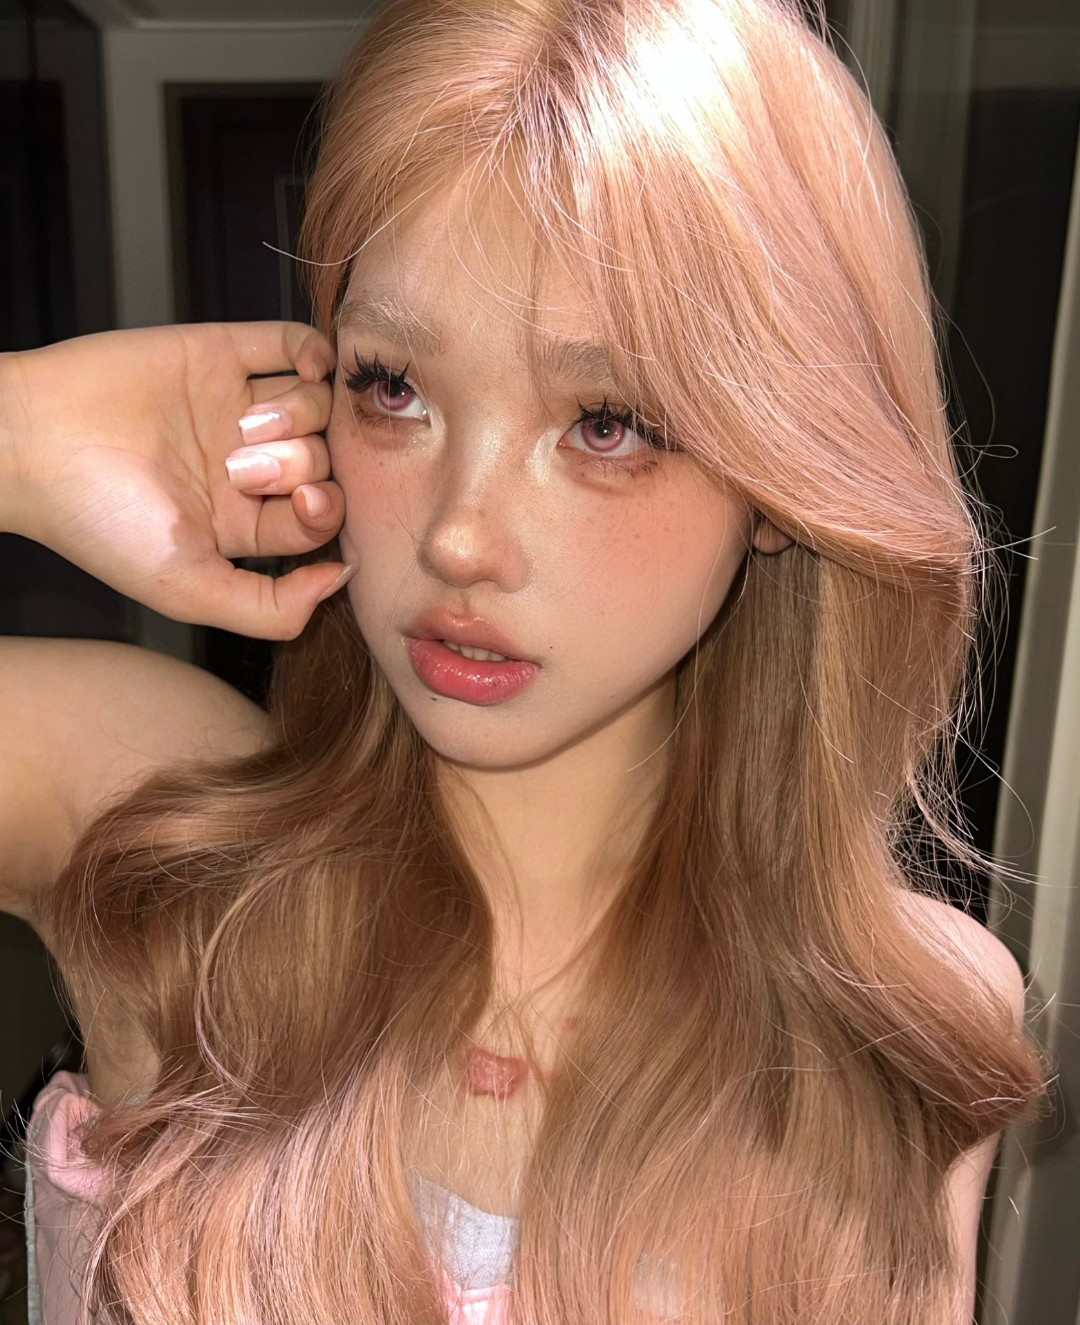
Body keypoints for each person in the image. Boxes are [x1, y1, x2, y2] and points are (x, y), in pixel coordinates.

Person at [0, 0, 1051, 1320]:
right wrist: (20, 431)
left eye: (606, 422)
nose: (460, 535)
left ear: (785, 473)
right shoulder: (153, 832)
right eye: (393, 387)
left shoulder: (901, 1020)